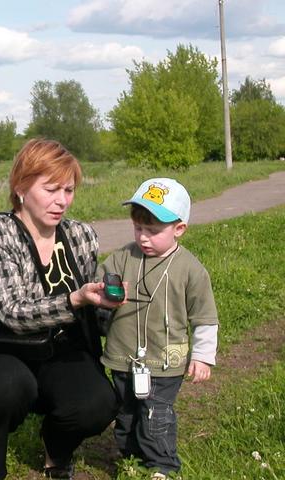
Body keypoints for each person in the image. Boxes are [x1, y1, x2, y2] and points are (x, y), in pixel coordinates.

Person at [0, 138, 123, 480]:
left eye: (68, 190)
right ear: (21, 187)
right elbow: (11, 311)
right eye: (51, 189)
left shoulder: (81, 235)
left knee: (98, 404)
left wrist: (110, 306)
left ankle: (56, 448)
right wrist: (75, 299)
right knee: (8, 385)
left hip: (59, 349)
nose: (62, 201)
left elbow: (91, 315)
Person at [97, 178, 219, 479]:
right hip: (123, 358)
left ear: (179, 229)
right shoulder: (124, 257)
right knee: (126, 413)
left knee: (155, 413)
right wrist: (102, 293)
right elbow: (97, 284)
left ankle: (162, 465)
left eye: (153, 231)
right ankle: (129, 457)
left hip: (166, 362)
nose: (144, 238)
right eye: (138, 228)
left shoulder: (190, 269)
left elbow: (204, 317)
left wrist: (202, 356)